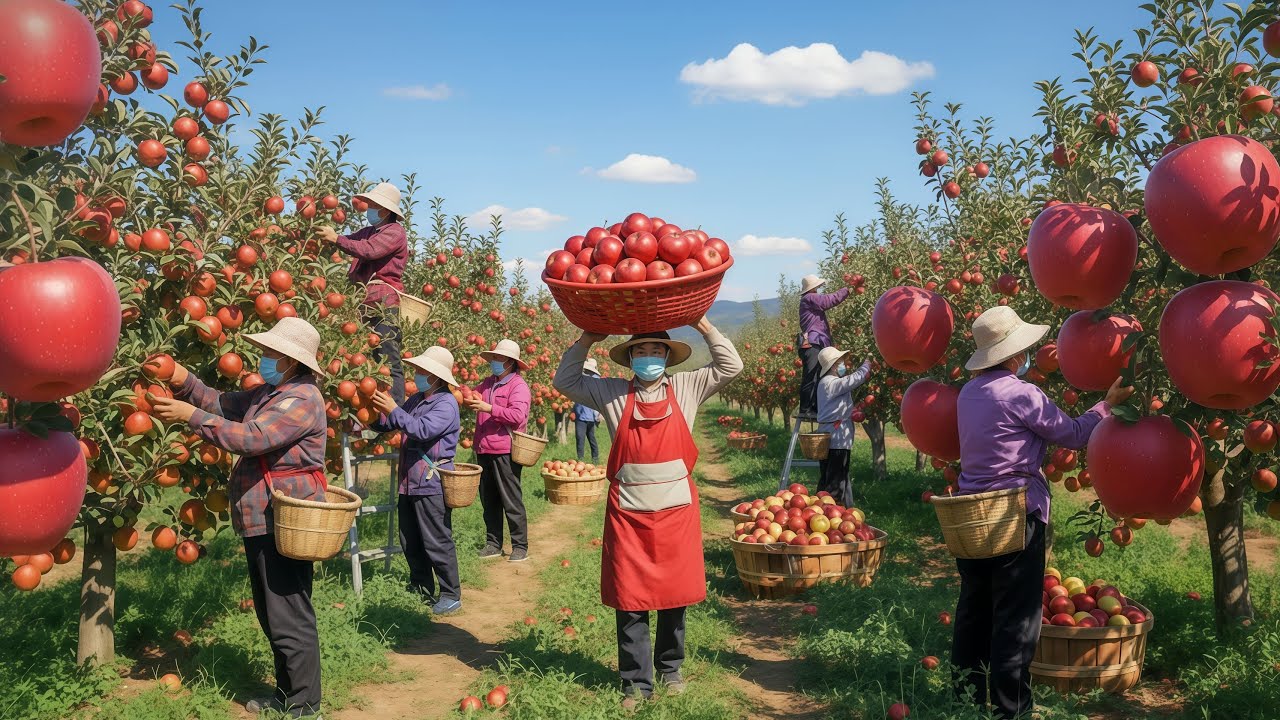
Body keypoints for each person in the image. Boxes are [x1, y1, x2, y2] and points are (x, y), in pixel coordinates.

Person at [952, 306, 1133, 719]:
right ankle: (1010, 710)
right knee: (1016, 618)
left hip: (971, 517)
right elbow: (1072, 434)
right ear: (1014, 356)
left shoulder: (968, 393)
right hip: (1014, 514)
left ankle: (963, 701)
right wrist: (1105, 406)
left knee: (974, 611)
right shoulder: (1020, 392)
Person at [553, 317, 743, 710]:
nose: (650, 357)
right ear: (631, 358)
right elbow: (565, 382)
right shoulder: (611, 393)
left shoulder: (688, 386)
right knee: (631, 599)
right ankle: (636, 683)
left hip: (675, 512)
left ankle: (670, 670)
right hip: (629, 515)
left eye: (657, 351)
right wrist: (587, 338)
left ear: (669, 357)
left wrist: (706, 327)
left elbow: (731, 367)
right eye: (642, 351)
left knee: (675, 596)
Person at [150, 317, 329, 719]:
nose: (265, 358)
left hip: (283, 518)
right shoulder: (269, 392)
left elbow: (251, 439)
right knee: (274, 614)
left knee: (289, 614)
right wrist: (183, 379)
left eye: (271, 353)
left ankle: (303, 706)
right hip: (261, 517)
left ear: (291, 360)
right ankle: (287, 697)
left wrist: (189, 416)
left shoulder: (300, 398)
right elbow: (219, 402)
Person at [368, 346, 462, 615]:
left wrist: (394, 408)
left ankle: (450, 593)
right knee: (410, 538)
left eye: (423, 371)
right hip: (409, 479)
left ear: (436, 375)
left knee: (436, 539)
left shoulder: (446, 403)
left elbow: (422, 429)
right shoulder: (419, 398)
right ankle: (421, 587)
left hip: (430, 480)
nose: (418, 374)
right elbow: (393, 423)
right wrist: (370, 415)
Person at [317, 182, 409, 403]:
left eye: (373, 205)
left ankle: (395, 407)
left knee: (387, 355)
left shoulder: (395, 232)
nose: (369, 209)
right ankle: (369, 404)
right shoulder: (370, 231)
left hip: (384, 303)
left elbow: (369, 250)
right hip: (363, 304)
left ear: (386, 210)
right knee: (359, 356)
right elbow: (350, 241)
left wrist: (336, 239)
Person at [461, 339, 532, 562]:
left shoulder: (518, 386)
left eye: (499, 359)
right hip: (483, 449)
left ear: (511, 362)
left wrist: (490, 408)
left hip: (505, 450)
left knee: (510, 499)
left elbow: (518, 416)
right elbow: (472, 395)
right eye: (494, 358)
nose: (494, 362)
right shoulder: (488, 383)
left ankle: (520, 546)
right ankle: (493, 543)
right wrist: (464, 392)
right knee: (489, 499)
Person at [814, 346, 872, 507]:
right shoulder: (830, 383)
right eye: (840, 362)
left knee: (837, 477)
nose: (844, 365)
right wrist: (867, 363)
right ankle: (829, 514)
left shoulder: (825, 383)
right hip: (836, 439)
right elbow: (855, 379)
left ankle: (846, 512)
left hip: (830, 437)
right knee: (835, 482)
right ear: (833, 365)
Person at [796, 274, 852, 418]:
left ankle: (814, 407)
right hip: (812, 342)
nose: (819, 289)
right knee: (811, 375)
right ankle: (805, 409)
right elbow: (829, 300)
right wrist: (847, 289)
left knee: (817, 375)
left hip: (812, 341)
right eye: (817, 286)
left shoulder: (809, 301)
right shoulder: (809, 298)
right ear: (812, 288)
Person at [574, 357, 602, 463]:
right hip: (583, 414)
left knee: (586, 438)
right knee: (584, 438)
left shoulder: (594, 379)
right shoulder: (583, 377)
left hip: (587, 414)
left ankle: (593, 459)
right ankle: (583, 460)